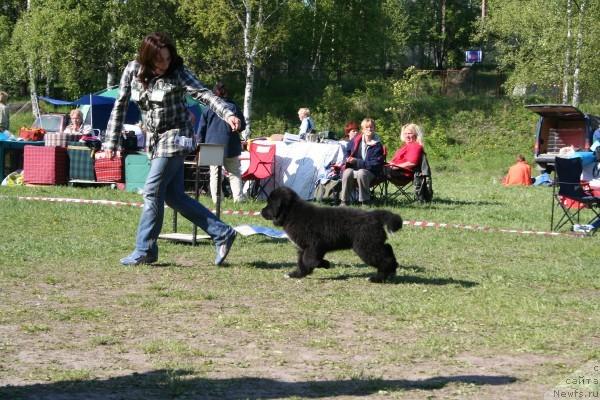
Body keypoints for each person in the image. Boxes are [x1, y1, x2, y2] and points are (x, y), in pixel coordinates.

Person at [103, 32, 241, 267]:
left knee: (152, 191)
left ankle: (144, 249)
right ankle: (222, 233)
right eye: (159, 61)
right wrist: (111, 142)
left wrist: (227, 113)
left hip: (177, 136)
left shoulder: (178, 72)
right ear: (147, 58)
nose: (164, 65)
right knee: (174, 196)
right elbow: (120, 106)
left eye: (168, 59)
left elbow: (204, 94)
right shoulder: (132, 71)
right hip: (155, 140)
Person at [198, 82, 246, 204]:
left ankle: (217, 200)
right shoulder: (233, 106)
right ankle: (238, 199)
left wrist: (198, 144)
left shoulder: (208, 108)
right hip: (229, 143)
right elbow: (242, 126)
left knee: (214, 173)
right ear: (226, 92)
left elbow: (202, 128)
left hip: (211, 144)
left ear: (213, 93)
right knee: (234, 172)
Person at [339, 118, 385, 206]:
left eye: (371, 127)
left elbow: (374, 165)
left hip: (372, 172)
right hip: (355, 169)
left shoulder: (377, 145)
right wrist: (348, 159)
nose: (369, 129)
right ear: (363, 129)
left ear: (374, 129)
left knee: (361, 173)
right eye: (367, 127)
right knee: (347, 172)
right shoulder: (355, 140)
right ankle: (344, 201)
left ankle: (365, 201)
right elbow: (347, 153)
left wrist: (357, 161)